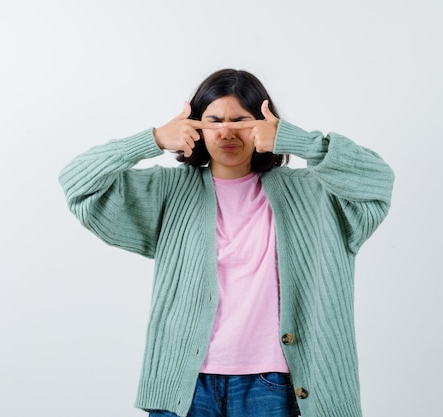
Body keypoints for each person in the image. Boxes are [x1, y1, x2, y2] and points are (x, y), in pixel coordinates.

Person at [58, 69, 394, 417]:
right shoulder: (169, 192)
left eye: (240, 120)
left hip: (276, 385)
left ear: (264, 124)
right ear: (196, 127)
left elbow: (377, 181)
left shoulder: (314, 193)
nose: (227, 131)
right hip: (186, 386)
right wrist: (154, 138)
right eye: (213, 120)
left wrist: (297, 141)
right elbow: (77, 183)